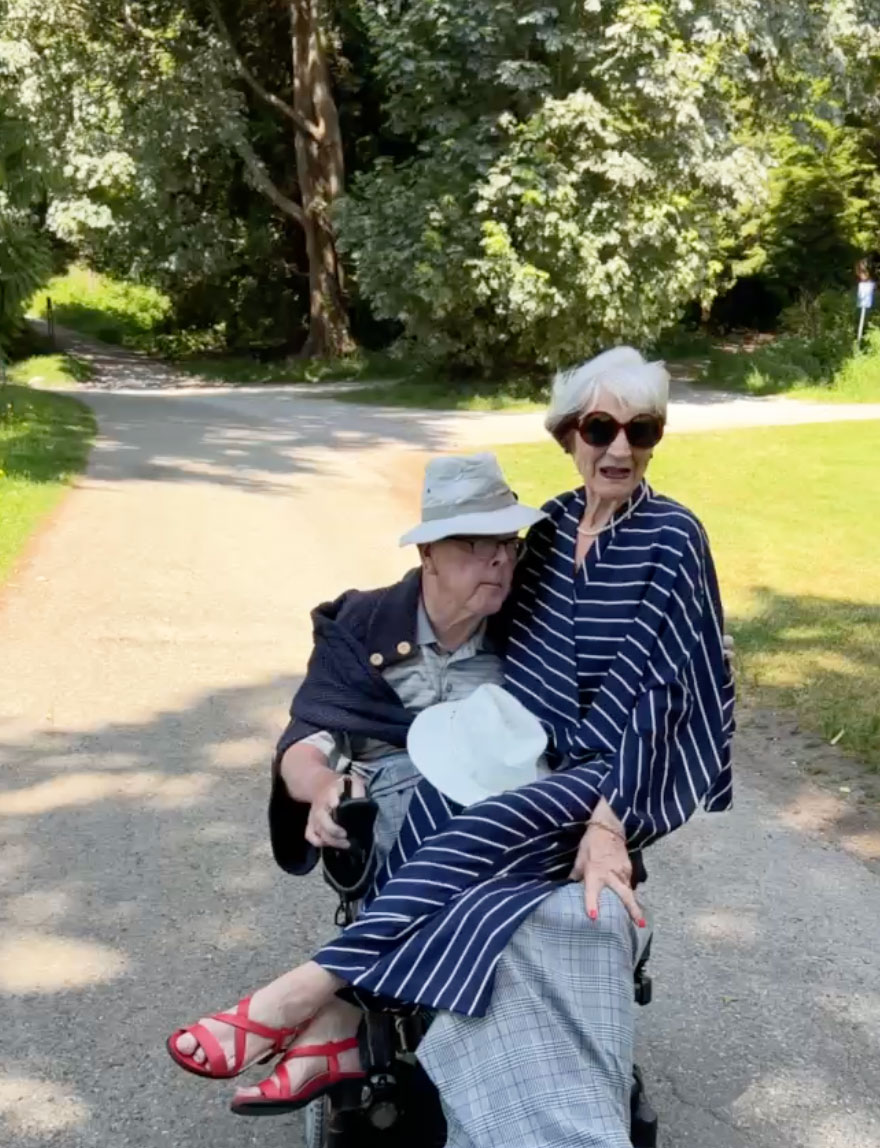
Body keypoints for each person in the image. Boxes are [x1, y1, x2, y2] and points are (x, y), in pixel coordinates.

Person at [169, 347, 736, 1147]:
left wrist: (612, 825)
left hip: (603, 775)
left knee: (482, 827)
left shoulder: (670, 536)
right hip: (524, 767)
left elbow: (671, 692)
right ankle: (349, 1020)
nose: (618, 448)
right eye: (599, 427)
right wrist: (326, 783)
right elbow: (320, 726)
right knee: (434, 808)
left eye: (640, 430)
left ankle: (321, 990)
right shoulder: (550, 528)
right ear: (567, 434)